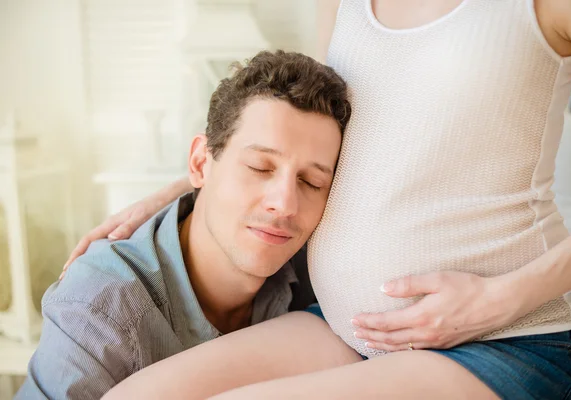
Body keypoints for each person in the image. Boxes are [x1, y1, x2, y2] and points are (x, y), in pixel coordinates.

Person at [74, 0, 571, 399]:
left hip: (510, 339)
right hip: (347, 327)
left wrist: (501, 299)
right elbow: (311, 134)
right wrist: (194, 184)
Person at [15, 50, 352, 400]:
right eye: (259, 167)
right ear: (199, 163)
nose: (284, 204)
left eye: (312, 182)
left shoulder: (320, 267)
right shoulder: (98, 306)